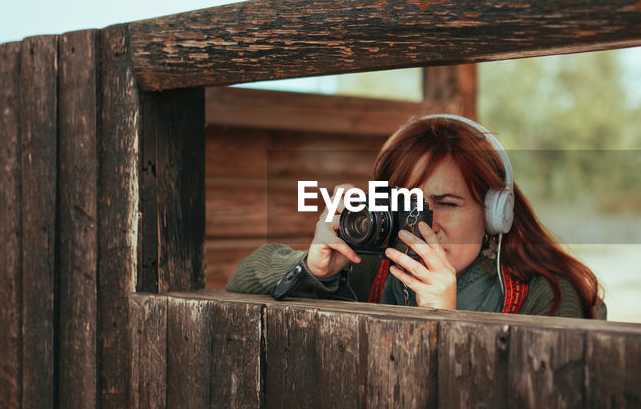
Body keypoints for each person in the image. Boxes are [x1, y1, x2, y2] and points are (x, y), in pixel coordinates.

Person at [226, 113, 605, 319]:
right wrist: (312, 269)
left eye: (448, 203)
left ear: (494, 216)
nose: (425, 222)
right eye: (408, 201)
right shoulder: (369, 268)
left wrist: (446, 319)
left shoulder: (546, 295)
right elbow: (241, 281)